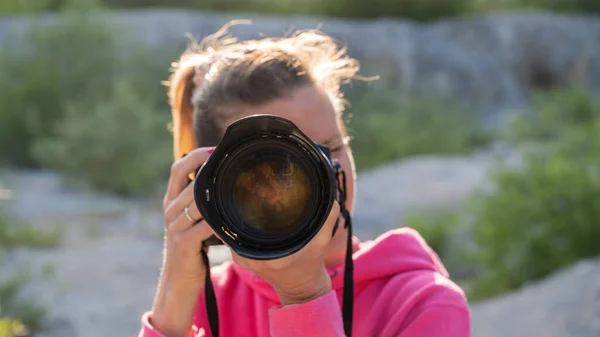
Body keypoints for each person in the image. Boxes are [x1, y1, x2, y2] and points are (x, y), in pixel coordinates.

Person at [139, 21, 471, 337]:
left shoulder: (421, 304)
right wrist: (172, 297)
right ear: (219, 185)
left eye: (331, 149)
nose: (325, 177)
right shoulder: (205, 304)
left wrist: (304, 296)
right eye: (278, 167)